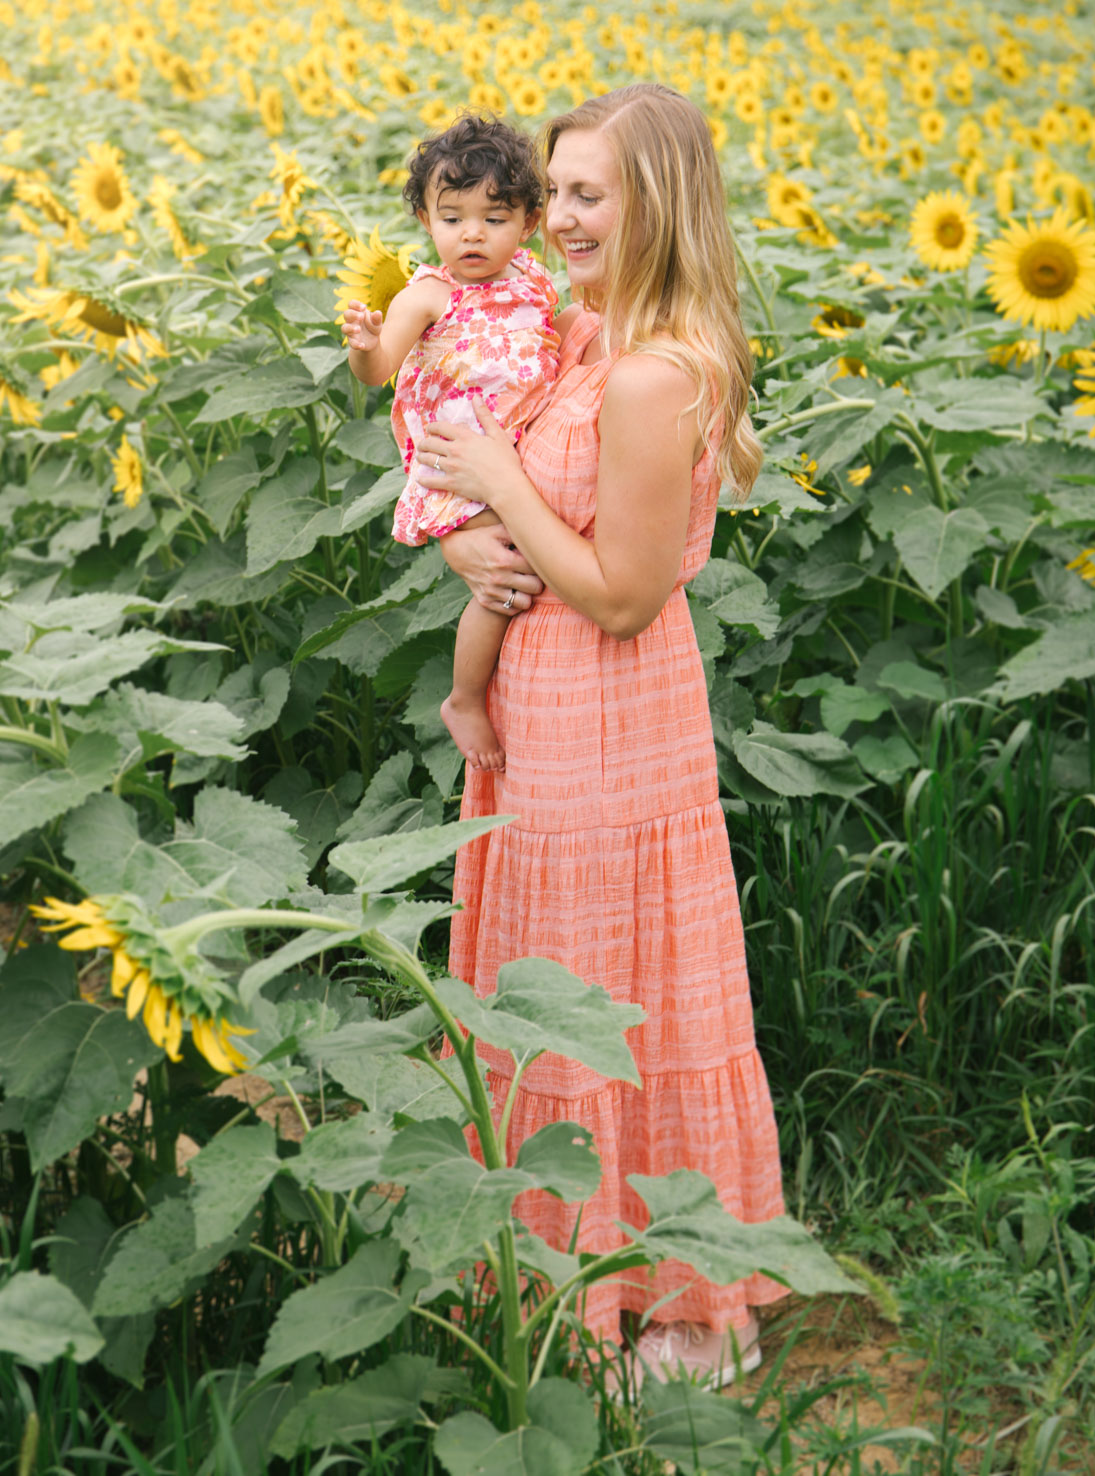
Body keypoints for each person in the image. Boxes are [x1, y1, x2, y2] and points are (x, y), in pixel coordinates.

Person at [414, 83, 787, 1386]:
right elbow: (450, 392)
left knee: (606, 996)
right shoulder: (580, 335)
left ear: (657, 207)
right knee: (554, 982)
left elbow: (624, 594)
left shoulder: (648, 373)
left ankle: (672, 1312)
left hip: (610, 714)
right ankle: (551, 1271)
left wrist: (496, 481)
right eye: (554, 191)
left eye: (588, 195)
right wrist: (466, 537)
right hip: (540, 706)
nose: (556, 218)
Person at [343, 115, 560, 772]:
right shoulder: (427, 295)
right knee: (502, 574)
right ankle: (464, 697)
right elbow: (380, 370)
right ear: (424, 218)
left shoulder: (532, 278)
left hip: (515, 448)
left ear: (527, 224)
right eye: (452, 217)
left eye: (493, 219)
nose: (471, 233)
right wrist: (361, 347)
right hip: (460, 461)